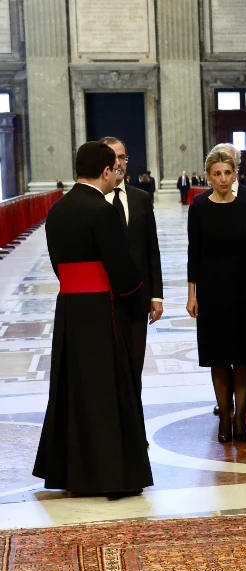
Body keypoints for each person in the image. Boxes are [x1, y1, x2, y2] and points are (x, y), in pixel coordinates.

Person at [34, 141, 152, 499]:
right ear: (105, 171)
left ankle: (74, 474)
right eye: (114, 169)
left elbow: (58, 266)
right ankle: (111, 477)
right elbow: (122, 271)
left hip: (70, 309)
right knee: (107, 390)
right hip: (104, 310)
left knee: (74, 389)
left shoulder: (57, 210)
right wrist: (137, 301)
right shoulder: (102, 210)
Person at [186, 149, 246, 443]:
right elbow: (194, 252)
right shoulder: (199, 207)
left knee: (243, 357)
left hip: (244, 289)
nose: (222, 178)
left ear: (235, 175)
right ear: (208, 176)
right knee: (218, 356)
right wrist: (191, 294)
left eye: (227, 173)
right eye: (217, 173)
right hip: (211, 290)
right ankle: (224, 417)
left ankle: (240, 417)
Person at [100, 137, 163, 386]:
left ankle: (134, 408)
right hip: (103, 297)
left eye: (122, 157)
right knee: (108, 366)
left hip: (138, 296)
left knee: (135, 364)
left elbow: (152, 249)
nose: (119, 163)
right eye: (113, 157)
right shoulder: (93, 201)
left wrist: (156, 296)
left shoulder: (141, 199)